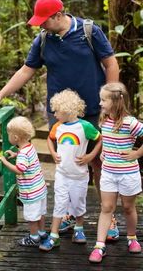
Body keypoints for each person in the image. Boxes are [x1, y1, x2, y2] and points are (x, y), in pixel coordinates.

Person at [0, 0, 120, 238]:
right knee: (65, 163)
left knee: (99, 164)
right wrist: (0, 94)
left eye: (44, 20)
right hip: (61, 115)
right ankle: (68, 214)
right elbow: (27, 70)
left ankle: (107, 218)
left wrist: (111, 102)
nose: (40, 25)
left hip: (93, 111)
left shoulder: (89, 31)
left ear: (59, 15)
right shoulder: (43, 40)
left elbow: (110, 64)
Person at [38, 89, 101, 251]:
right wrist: (52, 153)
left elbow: (100, 139)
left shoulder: (84, 126)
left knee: (79, 203)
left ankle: (79, 229)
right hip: (62, 174)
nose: (55, 114)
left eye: (57, 111)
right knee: (59, 204)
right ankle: (54, 236)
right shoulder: (57, 127)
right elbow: (49, 139)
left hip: (79, 175)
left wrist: (90, 156)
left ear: (66, 110)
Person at [89, 82, 143, 263]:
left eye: (103, 100)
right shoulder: (104, 119)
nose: (100, 103)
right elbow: (106, 138)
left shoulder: (130, 122)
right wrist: (105, 151)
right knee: (106, 208)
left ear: (116, 102)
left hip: (128, 173)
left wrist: (136, 153)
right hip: (109, 173)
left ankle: (131, 237)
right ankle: (99, 245)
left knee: (128, 208)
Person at [1, 116, 48, 247]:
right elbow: (27, 161)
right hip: (40, 188)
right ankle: (42, 232)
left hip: (30, 191)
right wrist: (16, 155)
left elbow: (19, 170)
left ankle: (34, 237)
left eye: (9, 134)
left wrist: (5, 162)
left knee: (32, 217)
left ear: (15, 138)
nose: (8, 136)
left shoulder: (22, 154)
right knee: (41, 213)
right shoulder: (29, 147)